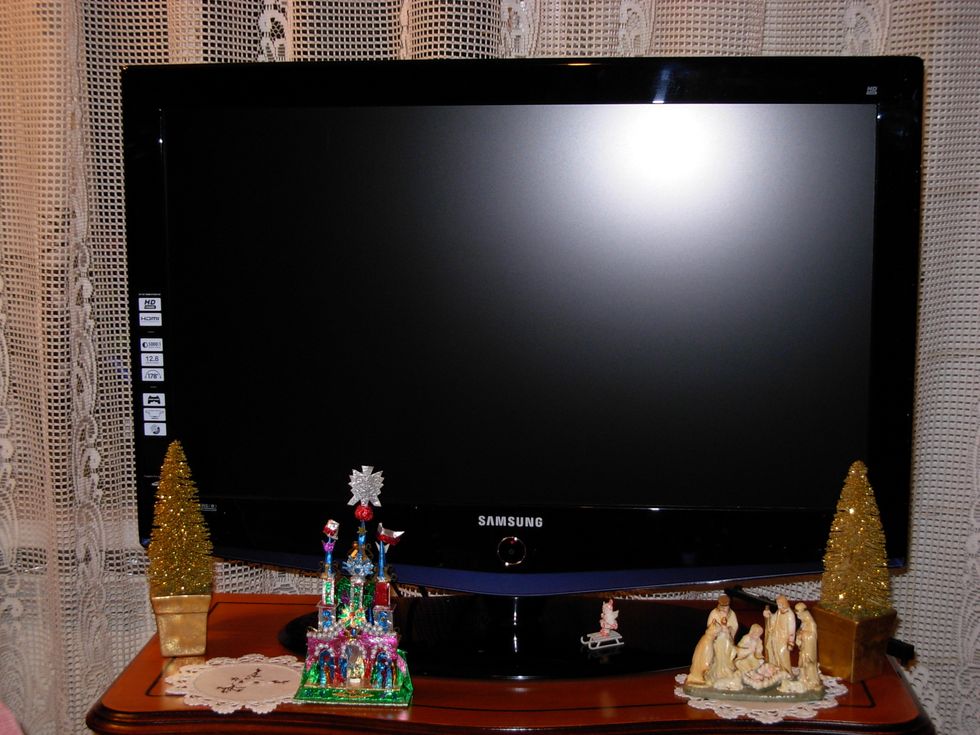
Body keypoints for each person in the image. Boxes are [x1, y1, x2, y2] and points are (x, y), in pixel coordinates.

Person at [763, 595, 796, 674]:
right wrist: (768, 615)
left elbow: (792, 631)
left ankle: (786, 672)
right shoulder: (779, 611)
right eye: (778, 604)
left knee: (782, 654)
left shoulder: (790, 615)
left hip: (783, 638)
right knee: (773, 652)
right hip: (776, 636)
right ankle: (776, 669)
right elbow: (773, 620)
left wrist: (790, 643)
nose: (779, 606)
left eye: (780, 604)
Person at [794, 602, 821, 690]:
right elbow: (799, 632)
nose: (798, 616)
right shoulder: (803, 623)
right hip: (803, 648)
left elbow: (813, 636)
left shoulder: (811, 624)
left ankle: (812, 681)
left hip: (809, 650)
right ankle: (803, 678)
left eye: (799, 614)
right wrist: (798, 635)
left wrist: (803, 635)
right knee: (801, 664)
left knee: (809, 664)